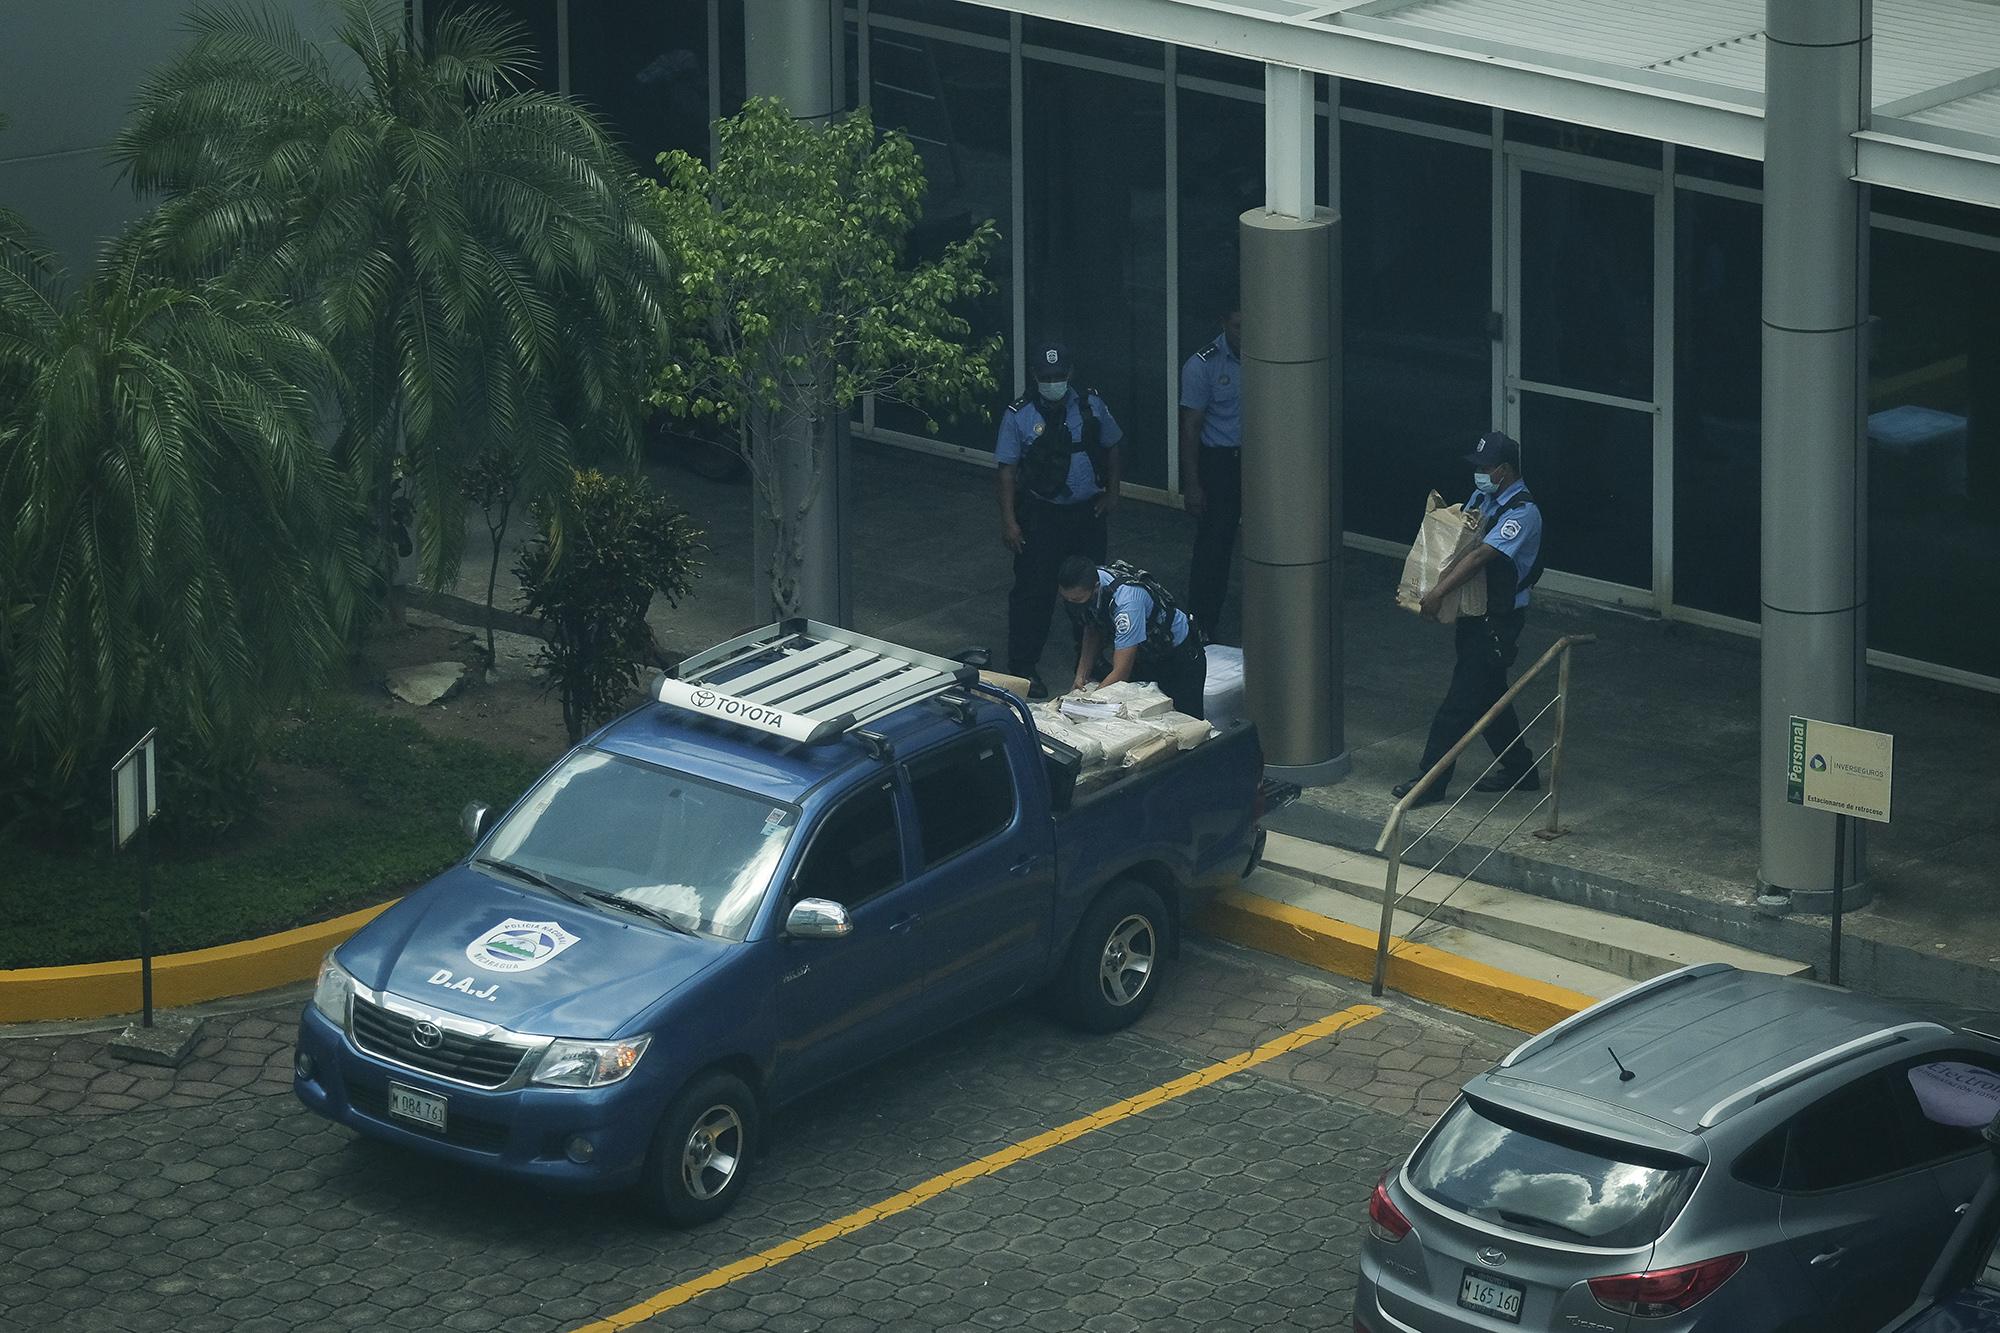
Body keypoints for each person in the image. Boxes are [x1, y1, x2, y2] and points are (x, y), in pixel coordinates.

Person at [1393, 430, 1545, 807]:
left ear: (1505, 470)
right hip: (1475, 614)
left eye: (1486, 467)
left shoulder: (1522, 513)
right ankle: (1521, 770)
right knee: (1488, 695)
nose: (1479, 473)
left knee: (1459, 702)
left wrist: (1437, 593)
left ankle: (1430, 782)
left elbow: (1478, 558)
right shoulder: (1485, 496)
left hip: (1498, 620)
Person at [997, 341, 1123, 698]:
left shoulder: (1090, 405)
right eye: (1046, 376)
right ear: (1036, 376)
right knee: (1033, 593)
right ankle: (1023, 667)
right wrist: (1009, 521)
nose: (1053, 382)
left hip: (1086, 514)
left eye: (1059, 376)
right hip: (1041, 515)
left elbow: (1112, 446)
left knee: (1091, 589)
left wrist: (1113, 492)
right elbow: (1006, 471)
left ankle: (1091, 659)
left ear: (1070, 375)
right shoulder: (1019, 415)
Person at [1057, 556, 1207, 720]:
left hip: (1179, 658)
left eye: (1076, 600)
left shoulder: (1127, 604)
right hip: (1144, 656)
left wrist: (1087, 704)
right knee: (1142, 720)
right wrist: (1081, 676)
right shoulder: (1088, 584)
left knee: (1185, 725)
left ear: (1096, 587)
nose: (1072, 603)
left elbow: (1121, 672)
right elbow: (1092, 628)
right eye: (1067, 599)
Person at [1180, 306, 1243, 637]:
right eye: (1236, 326)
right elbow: (1190, 427)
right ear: (1223, 323)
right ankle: (1202, 625)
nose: (1243, 333)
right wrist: (1192, 484)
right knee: (1214, 547)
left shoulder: (1267, 355)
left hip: (1258, 462)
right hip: (1220, 463)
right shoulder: (1202, 365)